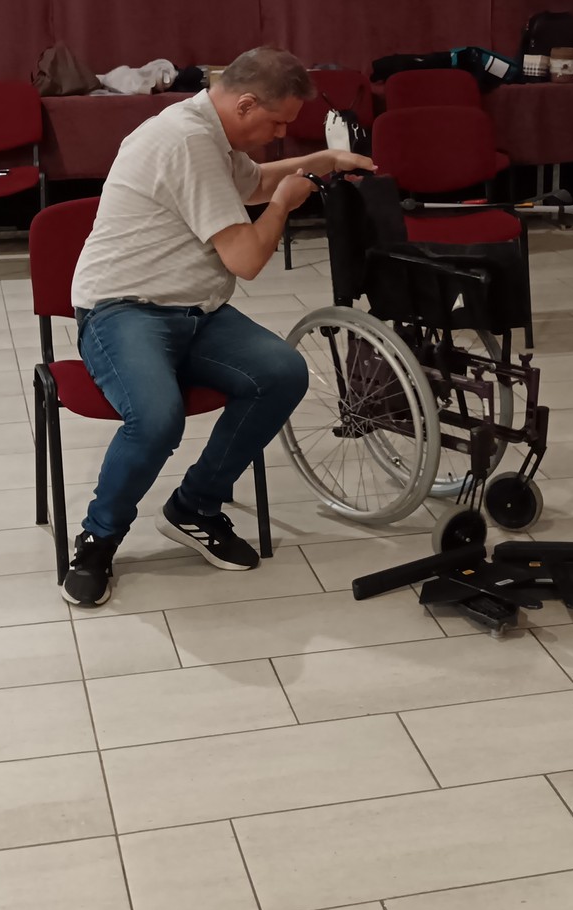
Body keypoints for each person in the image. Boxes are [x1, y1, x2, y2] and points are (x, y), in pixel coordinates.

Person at [60, 48, 372, 607]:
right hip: (123, 310)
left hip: (194, 311)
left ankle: (195, 506)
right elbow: (247, 258)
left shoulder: (212, 133)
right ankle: (97, 539)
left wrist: (324, 160)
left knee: (281, 372)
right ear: (245, 103)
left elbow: (251, 185)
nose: (281, 135)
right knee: (157, 420)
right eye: (277, 122)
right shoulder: (187, 140)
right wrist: (284, 205)